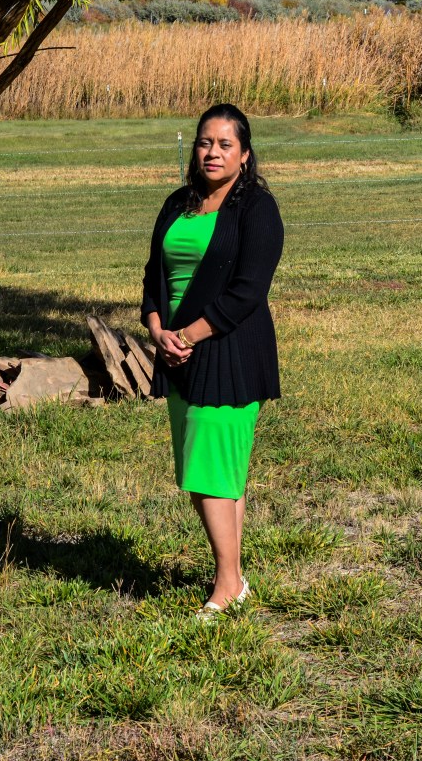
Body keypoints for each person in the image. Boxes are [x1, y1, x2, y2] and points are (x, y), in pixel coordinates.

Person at [141, 104, 284, 616]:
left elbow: (248, 290)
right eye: (206, 142)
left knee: (207, 474)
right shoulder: (177, 204)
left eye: (226, 144)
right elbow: (153, 277)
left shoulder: (256, 208)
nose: (213, 152)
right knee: (218, 472)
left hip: (230, 353)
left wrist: (189, 335)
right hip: (177, 353)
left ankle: (227, 586)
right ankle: (234, 580)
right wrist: (157, 330)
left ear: (244, 155)